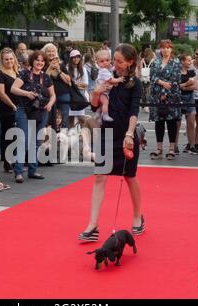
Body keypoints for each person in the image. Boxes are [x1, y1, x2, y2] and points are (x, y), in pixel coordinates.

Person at [78, 44, 143, 242]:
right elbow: (94, 104)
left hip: (125, 134)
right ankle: (93, 225)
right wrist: (97, 92)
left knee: (130, 177)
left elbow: (134, 111)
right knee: (99, 176)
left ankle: (137, 216)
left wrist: (130, 134)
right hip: (106, 133)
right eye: (114, 59)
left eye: (119, 61)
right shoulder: (106, 76)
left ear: (130, 62)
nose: (115, 63)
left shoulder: (135, 83)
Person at [10, 50, 56, 183]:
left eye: (42, 61)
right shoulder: (24, 73)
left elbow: (53, 95)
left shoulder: (46, 77)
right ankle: (18, 172)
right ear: (32, 61)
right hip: (24, 110)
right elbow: (13, 88)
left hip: (41, 111)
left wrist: (50, 104)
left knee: (36, 142)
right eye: (37, 60)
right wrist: (27, 94)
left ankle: (33, 170)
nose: (40, 63)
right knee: (23, 141)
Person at [149, 39, 182, 160]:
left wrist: (165, 92)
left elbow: (176, 80)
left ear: (171, 49)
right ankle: (159, 148)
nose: (165, 50)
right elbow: (152, 77)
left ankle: (172, 148)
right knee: (159, 122)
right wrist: (161, 83)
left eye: (168, 47)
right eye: (163, 47)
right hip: (156, 96)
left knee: (171, 122)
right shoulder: (155, 62)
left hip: (171, 96)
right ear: (160, 49)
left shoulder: (176, 62)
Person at [0, 48, 19, 173]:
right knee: (7, 135)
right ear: (2, 60)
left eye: (11, 58)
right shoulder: (0, 73)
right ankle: (7, 162)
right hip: (7, 108)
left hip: (19, 108)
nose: (9, 61)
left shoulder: (17, 71)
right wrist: (12, 105)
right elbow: (1, 93)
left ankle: (15, 160)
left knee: (17, 135)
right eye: (6, 59)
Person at [42, 43, 71, 128]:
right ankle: (50, 138)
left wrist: (59, 70)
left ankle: (62, 138)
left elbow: (68, 80)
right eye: (49, 51)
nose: (51, 53)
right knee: (49, 118)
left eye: (53, 51)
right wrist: (49, 68)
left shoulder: (61, 64)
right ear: (44, 52)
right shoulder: (41, 64)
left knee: (63, 119)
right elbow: (43, 80)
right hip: (48, 96)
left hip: (63, 94)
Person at [94, 49, 125, 123]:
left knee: (102, 105)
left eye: (107, 60)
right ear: (97, 63)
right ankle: (105, 115)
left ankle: (98, 114)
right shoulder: (103, 71)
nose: (105, 63)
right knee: (105, 103)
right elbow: (111, 80)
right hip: (103, 92)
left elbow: (112, 69)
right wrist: (119, 79)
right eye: (102, 61)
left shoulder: (108, 69)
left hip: (104, 92)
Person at [177, 53, 198, 155]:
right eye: (189, 60)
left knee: (191, 123)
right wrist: (188, 83)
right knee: (177, 124)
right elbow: (175, 86)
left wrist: (183, 86)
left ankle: (192, 145)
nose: (191, 62)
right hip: (178, 99)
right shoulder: (176, 72)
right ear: (182, 62)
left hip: (190, 98)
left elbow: (195, 86)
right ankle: (174, 146)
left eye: (191, 60)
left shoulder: (191, 71)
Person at [67, 49, 89, 126]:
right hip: (71, 96)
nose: (76, 59)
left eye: (78, 57)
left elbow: (86, 83)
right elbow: (67, 83)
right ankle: (71, 135)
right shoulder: (67, 68)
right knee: (70, 117)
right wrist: (77, 85)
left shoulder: (83, 69)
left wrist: (74, 84)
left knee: (81, 118)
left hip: (80, 96)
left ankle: (83, 134)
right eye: (74, 57)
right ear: (71, 58)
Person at [138, 47, 156, 113]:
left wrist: (139, 77)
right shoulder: (153, 60)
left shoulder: (142, 60)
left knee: (143, 91)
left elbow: (140, 69)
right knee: (149, 91)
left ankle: (141, 104)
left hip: (143, 78)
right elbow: (154, 70)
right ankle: (147, 106)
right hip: (150, 78)